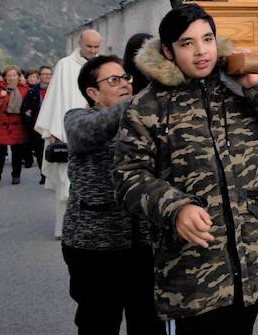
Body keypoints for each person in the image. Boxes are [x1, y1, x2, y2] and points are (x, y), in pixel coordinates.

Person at [113, 5, 258, 334]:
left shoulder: (239, 91)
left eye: (207, 38)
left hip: (251, 265)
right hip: (193, 277)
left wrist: (256, 84)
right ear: (168, 50)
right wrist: (175, 208)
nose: (201, 50)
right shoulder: (147, 106)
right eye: (187, 43)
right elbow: (127, 176)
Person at [62, 54, 165, 335]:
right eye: (113, 80)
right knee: (98, 323)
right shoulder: (78, 119)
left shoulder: (146, 122)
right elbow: (88, 132)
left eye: (126, 78)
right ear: (92, 92)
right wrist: (140, 100)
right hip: (93, 248)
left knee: (148, 323)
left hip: (143, 246)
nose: (124, 84)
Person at [36, 29, 102, 237]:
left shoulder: (103, 66)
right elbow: (55, 99)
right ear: (80, 44)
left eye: (96, 47)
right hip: (69, 133)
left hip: (97, 130)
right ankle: (64, 228)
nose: (92, 51)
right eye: (88, 46)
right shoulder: (65, 65)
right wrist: (55, 131)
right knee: (68, 183)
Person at [0, 66, 30, 188]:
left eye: (14, 75)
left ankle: (16, 175)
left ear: (19, 76)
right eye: (9, 75)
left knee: (17, 154)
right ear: (4, 77)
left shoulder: (25, 89)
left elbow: (31, 105)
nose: (11, 78)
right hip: (1, 126)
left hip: (18, 125)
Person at [22, 65, 53, 184]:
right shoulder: (33, 91)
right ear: (40, 76)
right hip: (38, 126)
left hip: (53, 125)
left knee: (54, 150)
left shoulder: (57, 89)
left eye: (49, 74)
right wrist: (29, 120)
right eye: (44, 74)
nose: (47, 76)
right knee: (40, 152)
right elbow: (25, 108)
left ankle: (53, 175)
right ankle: (44, 174)